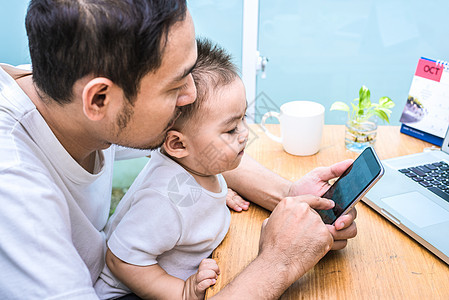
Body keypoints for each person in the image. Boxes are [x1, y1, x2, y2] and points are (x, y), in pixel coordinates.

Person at [0, 1, 356, 299]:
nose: (191, 96)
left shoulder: (71, 94)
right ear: (99, 99)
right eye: (175, 87)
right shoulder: (14, 191)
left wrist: (288, 196)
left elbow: (200, 146)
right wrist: (280, 262)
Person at [94, 38, 250, 300]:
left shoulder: (197, 167)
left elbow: (195, 200)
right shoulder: (167, 199)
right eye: (231, 129)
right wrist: (182, 292)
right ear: (178, 144)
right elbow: (121, 260)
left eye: (244, 118)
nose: (245, 134)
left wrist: (217, 197)